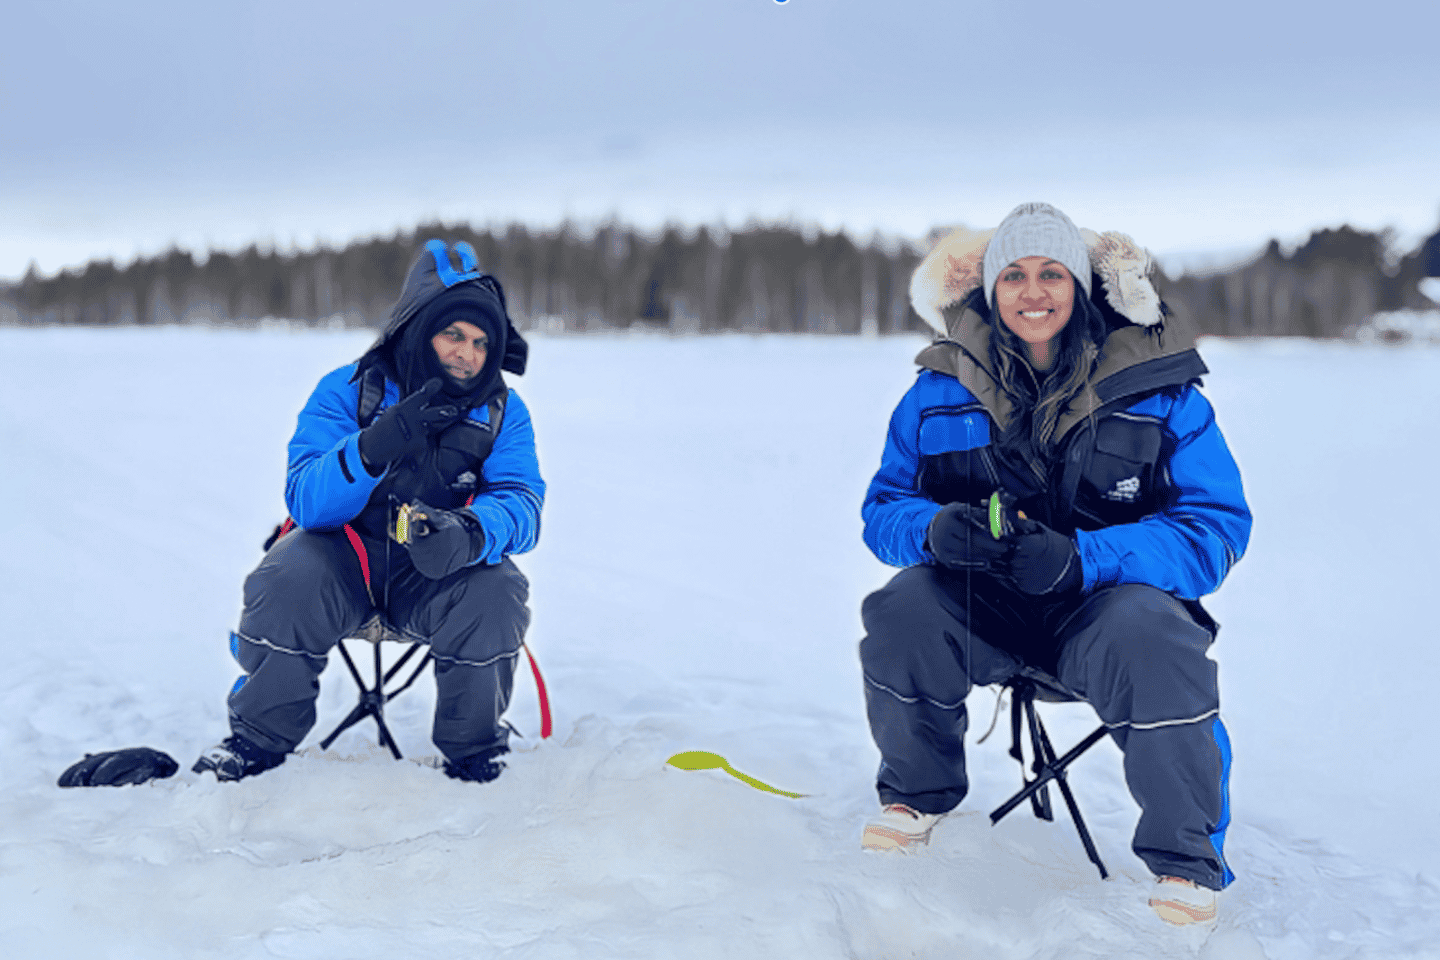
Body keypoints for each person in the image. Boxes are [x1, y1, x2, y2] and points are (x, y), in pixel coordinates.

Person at [856, 203, 1251, 926]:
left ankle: (1186, 863)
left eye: (1051, 274)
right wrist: (934, 530)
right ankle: (915, 795)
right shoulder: (935, 391)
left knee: (1155, 634)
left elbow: (1215, 528)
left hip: (1103, 615)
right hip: (985, 610)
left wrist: (1082, 559)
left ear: (1081, 286)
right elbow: (884, 510)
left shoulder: (1163, 392)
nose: (1032, 292)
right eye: (1013, 275)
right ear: (989, 289)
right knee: (902, 607)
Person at [192, 238, 545, 784]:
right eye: (453, 334)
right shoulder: (349, 390)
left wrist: (470, 532)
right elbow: (305, 498)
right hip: (342, 565)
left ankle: (476, 753)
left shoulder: (503, 412)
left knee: (498, 590)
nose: (467, 354)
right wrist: (372, 448)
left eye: (481, 342)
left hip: (433, 579)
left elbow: (522, 502)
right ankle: (255, 743)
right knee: (284, 577)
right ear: (418, 327)